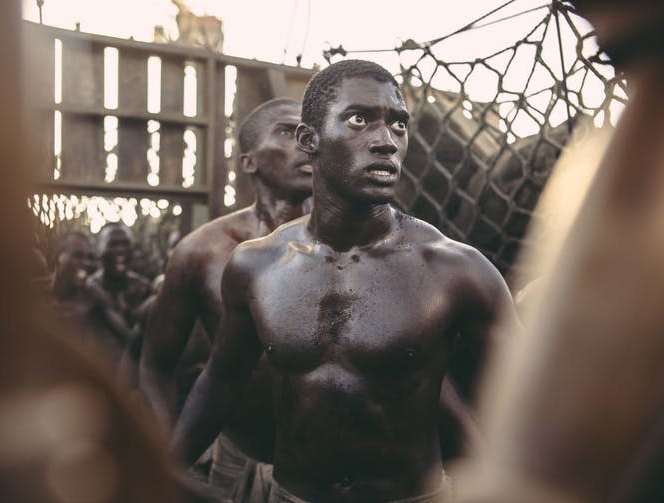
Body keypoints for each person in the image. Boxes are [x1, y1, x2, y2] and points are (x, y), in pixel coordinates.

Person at [172, 59, 517, 503]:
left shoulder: (456, 270)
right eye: (359, 120)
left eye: (398, 124)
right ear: (309, 140)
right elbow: (220, 381)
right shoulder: (256, 267)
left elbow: (529, 407)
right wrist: (161, 470)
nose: (386, 141)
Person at [140, 98, 313, 499]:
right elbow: (155, 364)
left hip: (331, 469)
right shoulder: (201, 252)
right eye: (288, 132)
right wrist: (168, 458)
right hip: (240, 459)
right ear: (249, 161)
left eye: (309, 134)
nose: (304, 144)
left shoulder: (352, 243)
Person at [87, 222, 153, 353]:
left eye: (125, 244)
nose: (120, 250)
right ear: (99, 249)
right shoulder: (87, 289)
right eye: (113, 244)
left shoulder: (143, 289)